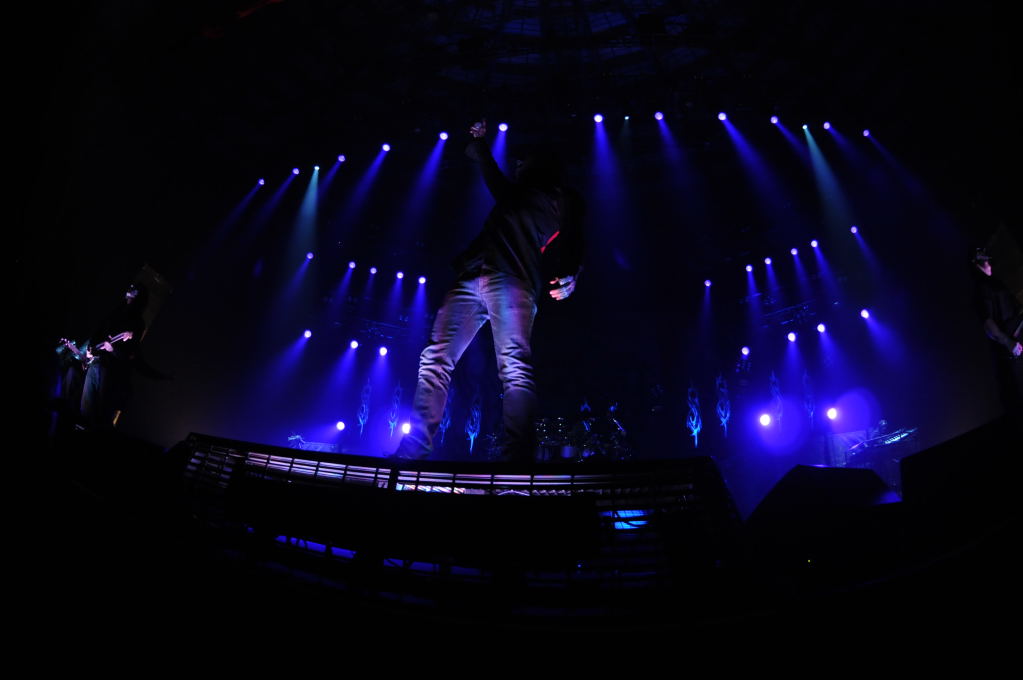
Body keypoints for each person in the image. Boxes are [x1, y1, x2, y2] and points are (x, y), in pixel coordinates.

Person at [393, 119, 584, 461]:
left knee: (514, 366)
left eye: (524, 159)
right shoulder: (512, 196)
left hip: (512, 279)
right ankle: (413, 449)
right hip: (471, 275)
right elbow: (499, 183)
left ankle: (517, 457)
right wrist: (480, 146)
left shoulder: (560, 197)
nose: (518, 163)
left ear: (542, 163)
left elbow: (575, 238)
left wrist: (573, 271)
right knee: (434, 359)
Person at [80, 283, 149, 429]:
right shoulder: (115, 312)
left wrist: (113, 350)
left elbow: (129, 353)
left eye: (135, 289)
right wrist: (90, 348)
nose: (130, 289)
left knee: (101, 413)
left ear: (140, 296)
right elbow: (99, 330)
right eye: (131, 287)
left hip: (110, 369)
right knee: (85, 408)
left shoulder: (138, 322)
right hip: (96, 362)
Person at [972, 248, 1023, 412]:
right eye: (985, 260)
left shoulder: (995, 282)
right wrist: (1009, 343)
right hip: (1013, 350)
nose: (989, 263)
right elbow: (988, 323)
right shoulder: (982, 287)